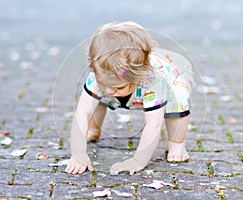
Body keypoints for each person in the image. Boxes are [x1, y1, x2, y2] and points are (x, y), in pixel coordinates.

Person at [64, 21, 193, 175]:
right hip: (127, 84)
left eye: (119, 87)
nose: (111, 91)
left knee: (177, 105)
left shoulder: (154, 81)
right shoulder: (99, 76)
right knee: (97, 96)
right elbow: (82, 113)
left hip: (173, 77)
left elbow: (153, 125)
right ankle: (93, 129)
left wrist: (138, 160)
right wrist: (78, 154)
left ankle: (177, 143)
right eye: (105, 84)